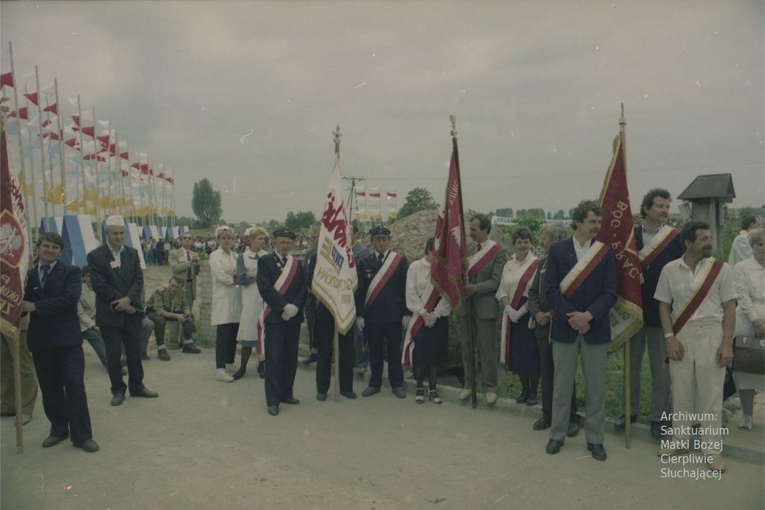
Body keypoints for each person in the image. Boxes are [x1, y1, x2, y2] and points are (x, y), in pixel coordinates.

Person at [655, 220, 736, 473]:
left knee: (711, 395)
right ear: (688, 243)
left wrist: (726, 343)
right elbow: (663, 306)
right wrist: (670, 337)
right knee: (680, 391)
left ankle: (712, 450)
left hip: (713, 333)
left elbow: (730, 308)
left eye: (710, 237)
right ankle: (679, 441)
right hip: (681, 336)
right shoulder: (669, 270)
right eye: (703, 239)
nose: (710, 242)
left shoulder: (721, 269)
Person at [544, 200, 617, 462]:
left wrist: (589, 316)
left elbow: (610, 292)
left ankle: (596, 439)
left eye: (599, 222)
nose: (597, 226)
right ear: (577, 222)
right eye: (592, 222)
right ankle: (557, 434)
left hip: (595, 328)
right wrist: (572, 317)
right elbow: (550, 290)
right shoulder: (557, 251)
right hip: (565, 328)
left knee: (596, 388)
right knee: (562, 386)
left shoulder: (605, 253)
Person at [21, 232, 98, 452]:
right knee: (50, 388)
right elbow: (21, 305)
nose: (49, 250)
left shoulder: (71, 273)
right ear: (38, 247)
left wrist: (35, 307)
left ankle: (82, 436)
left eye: (55, 248)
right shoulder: (29, 276)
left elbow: (68, 300)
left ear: (60, 252)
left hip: (68, 341)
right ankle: (58, 429)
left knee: (74, 386)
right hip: (41, 342)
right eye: (46, 246)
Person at [616, 189, 684, 438]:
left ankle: (658, 418)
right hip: (633, 311)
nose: (665, 210)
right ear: (646, 208)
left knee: (661, 369)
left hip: (661, 312)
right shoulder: (629, 236)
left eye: (667, 206)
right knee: (631, 366)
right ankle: (628, 412)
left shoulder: (675, 238)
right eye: (660, 206)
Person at [87, 215, 158, 406]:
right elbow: (99, 285)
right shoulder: (95, 256)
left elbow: (138, 280)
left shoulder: (132, 253)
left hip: (130, 311)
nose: (118, 237)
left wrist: (128, 300)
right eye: (114, 233)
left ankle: (137, 386)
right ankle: (118, 389)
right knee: (113, 355)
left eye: (121, 233)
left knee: (134, 351)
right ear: (106, 234)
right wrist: (121, 301)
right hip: (110, 313)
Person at [527, 222, 580, 435]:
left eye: (544, 237)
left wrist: (554, 313)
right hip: (541, 326)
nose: (541, 241)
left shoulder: (570, 263)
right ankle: (548, 414)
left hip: (560, 325)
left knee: (565, 374)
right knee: (546, 372)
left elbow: (570, 294)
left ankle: (571, 417)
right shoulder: (542, 263)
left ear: (557, 239)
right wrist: (537, 312)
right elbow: (532, 292)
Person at [458, 214, 508, 406]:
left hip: (485, 306)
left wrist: (476, 288)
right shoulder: (467, 249)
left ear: (486, 230)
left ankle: (490, 387)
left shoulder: (498, 251)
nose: (470, 233)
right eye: (470, 229)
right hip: (466, 306)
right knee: (467, 348)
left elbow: (496, 281)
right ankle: (469, 384)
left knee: (487, 350)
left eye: (474, 230)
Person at [257, 227, 307, 416]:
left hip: (292, 318)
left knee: (290, 358)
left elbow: (303, 287)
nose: (285, 245)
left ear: (292, 244)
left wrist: (294, 308)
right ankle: (273, 400)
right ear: (275, 242)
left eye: (288, 242)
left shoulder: (297, 263)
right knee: (275, 359)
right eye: (282, 242)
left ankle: (287, 393)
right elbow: (265, 289)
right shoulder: (265, 262)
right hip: (275, 317)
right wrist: (284, 307)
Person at [355, 226, 410, 399]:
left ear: (389, 241)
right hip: (373, 315)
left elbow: (405, 288)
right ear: (371, 242)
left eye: (384, 239)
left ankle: (397, 384)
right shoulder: (365, 261)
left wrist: (406, 313)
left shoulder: (400, 261)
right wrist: (360, 314)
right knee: (375, 352)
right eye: (377, 239)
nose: (381, 242)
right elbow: (361, 290)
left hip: (394, 315)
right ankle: (374, 383)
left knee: (394, 351)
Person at [496, 226, 540, 405]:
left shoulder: (537, 263)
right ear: (514, 244)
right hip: (511, 314)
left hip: (529, 314)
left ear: (531, 243)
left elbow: (537, 292)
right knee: (518, 355)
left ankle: (533, 392)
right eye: (519, 242)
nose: (523, 245)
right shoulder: (508, 264)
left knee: (532, 354)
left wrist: (522, 311)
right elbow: (502, 290)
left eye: (526, 241)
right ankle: (523, 390)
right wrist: (510, 310)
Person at [403, 237, 450, 404]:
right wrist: (423, 313)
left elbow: (448, 294)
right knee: (421, 353)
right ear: (428, 249)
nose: (435, 254)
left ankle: (433, 387)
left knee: (435, 354)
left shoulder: (445, 269)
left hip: (438, 317)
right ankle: (419, 387)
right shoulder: (415, 267)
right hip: (421, 316)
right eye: (433, 250)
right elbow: (411, 291)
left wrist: (436, 313)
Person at [306, 244, 356, 401]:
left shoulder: (350, 257)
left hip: (345, 309)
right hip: (325, 310)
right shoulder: (317, 257)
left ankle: (346, 387)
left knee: (346, 351)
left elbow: (356, 281)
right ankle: (322, 388)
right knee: (324, 351)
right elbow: (309, 281)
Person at [732, 228, 764, 430]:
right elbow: (742, 296)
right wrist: (756, 321)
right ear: (752, 246)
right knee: (747, 368)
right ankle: (746, 415)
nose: (764, 248)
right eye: (760, 244)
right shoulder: (741, 267)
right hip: (747, 321)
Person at [233, 227, 270, 380]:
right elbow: (240, 278)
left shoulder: (268, 256)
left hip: (265, 297)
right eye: (259, 239)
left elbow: (270, 277)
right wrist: (251, 276)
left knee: (264, 333)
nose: (262, 242)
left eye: (264, 239)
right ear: (252, 240)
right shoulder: (243, 257)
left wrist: (253, 274)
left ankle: (262, 365)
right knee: (249, 331)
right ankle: (242, 367)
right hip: (249, 298)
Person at [209, 226, 243, 382]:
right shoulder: (215, 256)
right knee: (223, 333)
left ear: (234, 240)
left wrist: (237, 276)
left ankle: (230, 363)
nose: (226, 240)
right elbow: (222, 276)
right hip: (223, 298)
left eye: (229, 237)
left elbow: (242, 273)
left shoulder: (236, 256)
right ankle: (220, 369)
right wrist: (236, 278)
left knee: (234, 332)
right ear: (218, 240)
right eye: (223, 238)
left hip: (236, 296)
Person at [146, 275, 201, 360]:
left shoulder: (182, 291)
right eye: (172, 286)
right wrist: (177, 316)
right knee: (160, 320)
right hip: (152, 311)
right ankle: (161, 349)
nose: (173, 289)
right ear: (169, 284)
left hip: (169, 310)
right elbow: (159, 311)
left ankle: (188, 344)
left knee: (190, 316)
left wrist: (187, 314)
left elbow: (185, 305)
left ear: (181, 287)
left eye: (177, 287)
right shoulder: (160, 291)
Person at [0, 315, 38, 426]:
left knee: (23, 364)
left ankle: (26, 409)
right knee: (3, 364)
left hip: (15, 318)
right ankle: (8, 403)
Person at [78, 265, 111, 372]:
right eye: (88, 276)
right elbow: (80, 313)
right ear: (83, 277)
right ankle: (111, 366)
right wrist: (94, 326)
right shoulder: (78, 290)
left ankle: (121, 358)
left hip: (101, 320)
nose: (91, 279)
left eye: (94, 276)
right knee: (97, 337)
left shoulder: (102, 288)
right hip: (84, 324)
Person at [350, 222, 371, 375]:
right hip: (345, 299)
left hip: (358, 297)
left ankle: (361, 362)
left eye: (348, 232)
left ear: (356, 234)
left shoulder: (362, 252)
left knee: (359, 333)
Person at [301, 226, 320, 366]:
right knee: (312, 325)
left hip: (324, 299)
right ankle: (313, 353)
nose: (312, 240)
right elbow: (304, 273)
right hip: (310, 299)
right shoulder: (309, 255)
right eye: (311, 237)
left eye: (315, 237)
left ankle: (326, 354)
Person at [170, 232, 201, 315]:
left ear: (192, 241)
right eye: (185, 238)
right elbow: (176, 268)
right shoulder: (174, 253)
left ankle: (186, 327)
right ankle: (176, 328)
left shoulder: (194, 254)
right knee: (177, 309)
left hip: (191, 285)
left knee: (188, 310)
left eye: (189, 238)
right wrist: (190, 262)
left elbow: (196, 272)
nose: (187, 240)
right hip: (179, 285)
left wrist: (198, 265)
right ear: (181, 240)